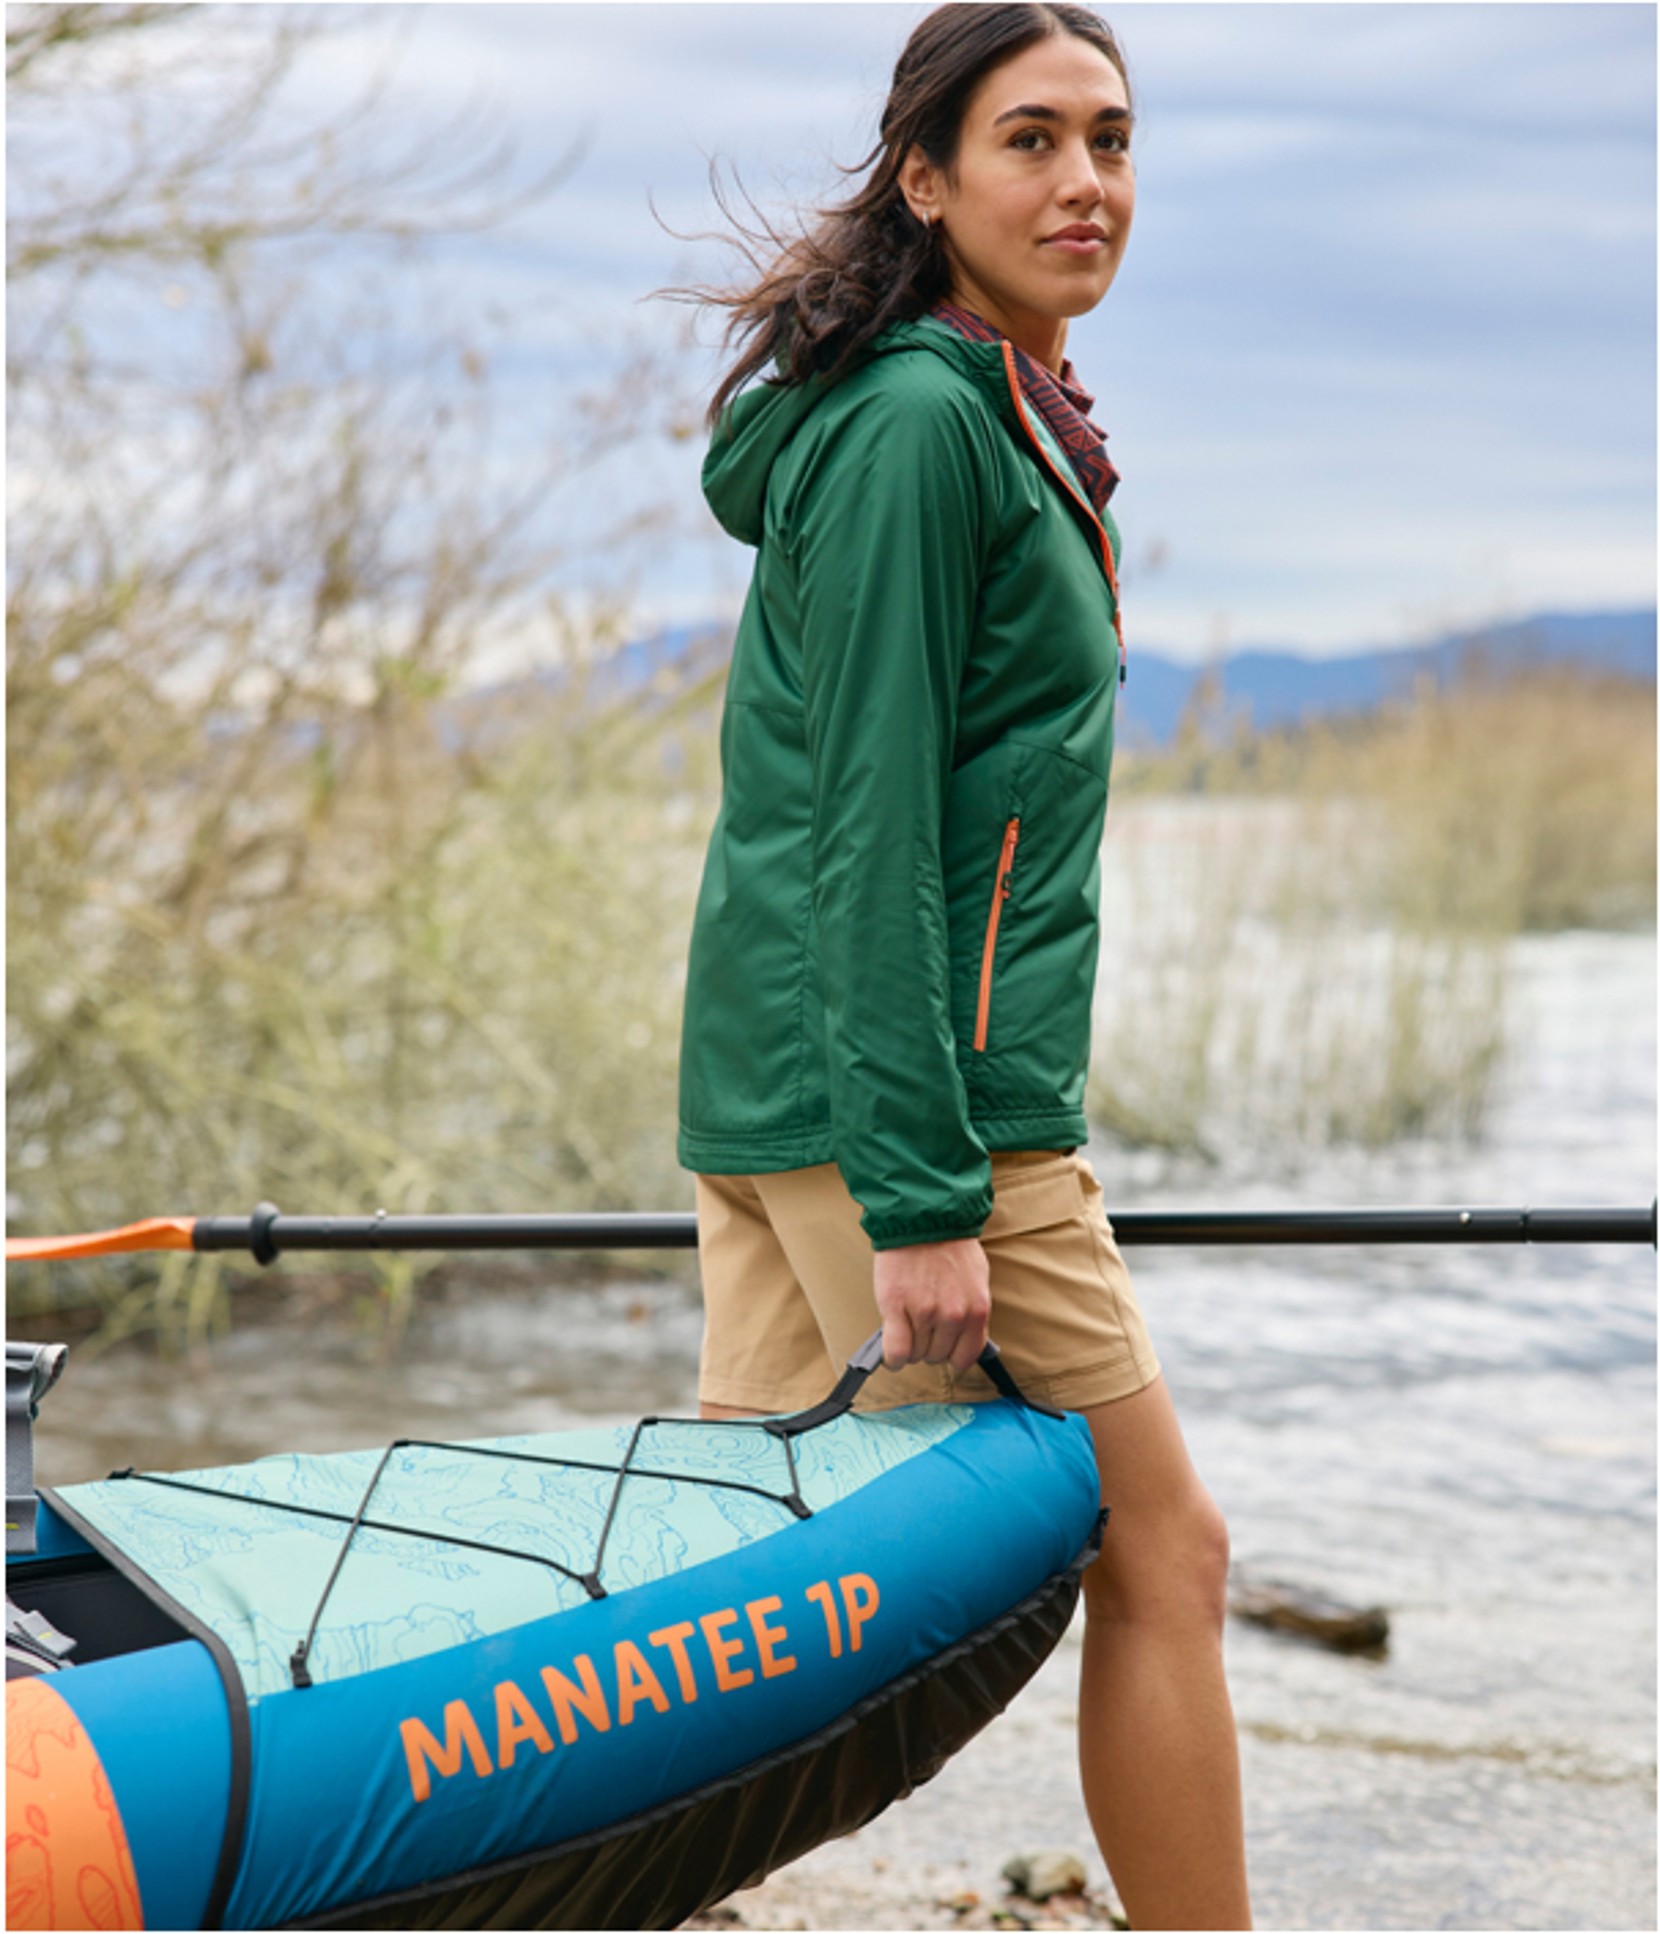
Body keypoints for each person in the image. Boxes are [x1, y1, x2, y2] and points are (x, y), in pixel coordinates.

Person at [677, 6, 1251, 1927]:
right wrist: (929, 1196)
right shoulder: (931, 423)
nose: (1085, 181)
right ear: (927, 179)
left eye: (1112, 138)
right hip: (918, 1119)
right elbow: (869, 829)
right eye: (1032, 140)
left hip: (786, 1093)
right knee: (1163, 1551)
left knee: (751, 1614)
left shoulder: (951, 410)